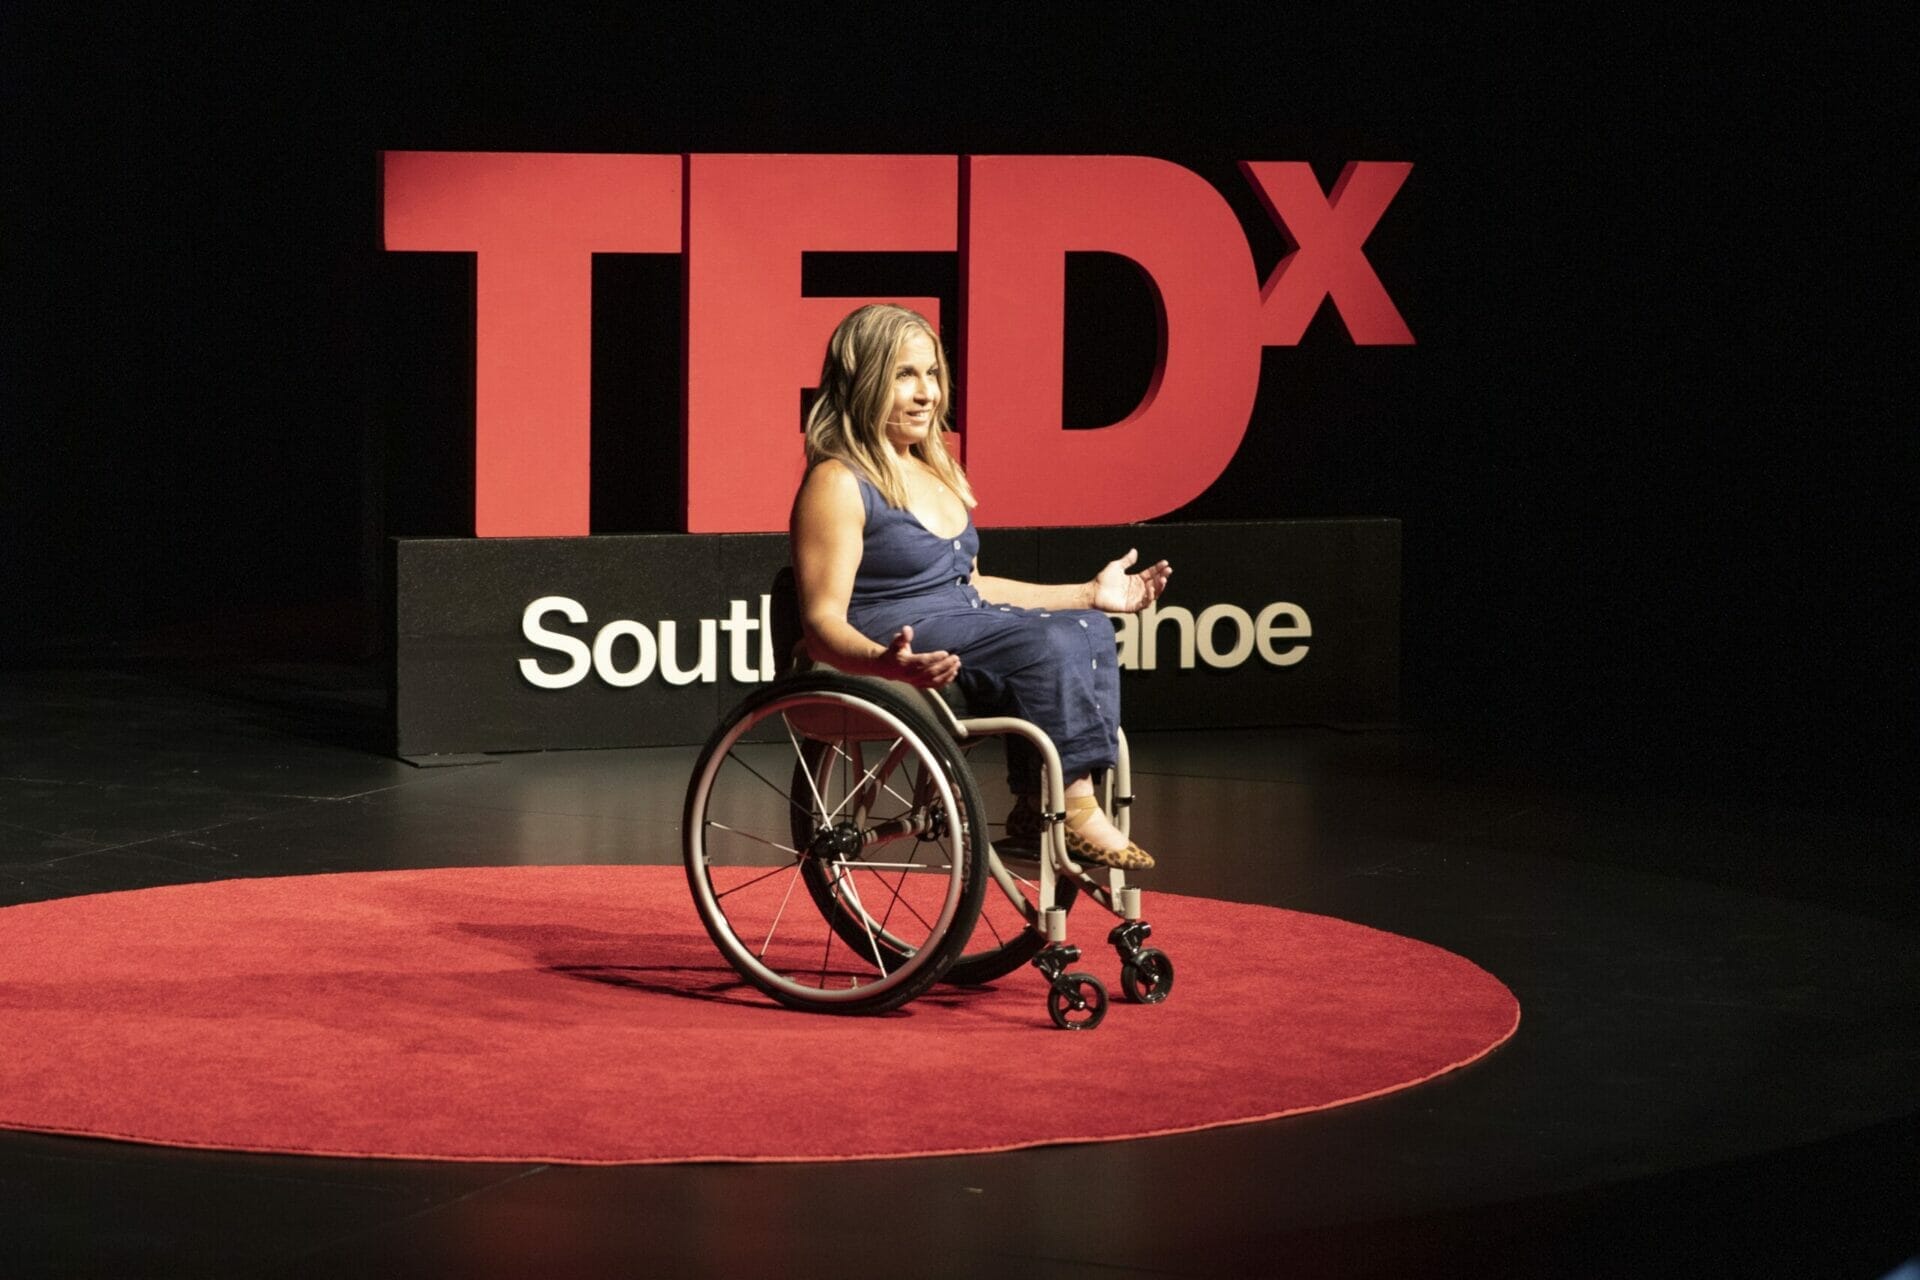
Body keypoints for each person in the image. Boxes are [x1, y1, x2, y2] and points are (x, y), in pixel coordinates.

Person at [789, 304, 1172, 869]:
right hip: (889, 632)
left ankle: (1039, 803)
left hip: (957, 621)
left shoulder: (936, 468)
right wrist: (886, 663)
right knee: (1048, 644)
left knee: (1087, 628)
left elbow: (972, 589)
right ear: (864, 380)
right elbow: (821, 626)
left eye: (932, 374)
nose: (927, 393)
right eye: (904, 375)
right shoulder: (838, 481)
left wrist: (1088, 594)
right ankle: (1075, 809)